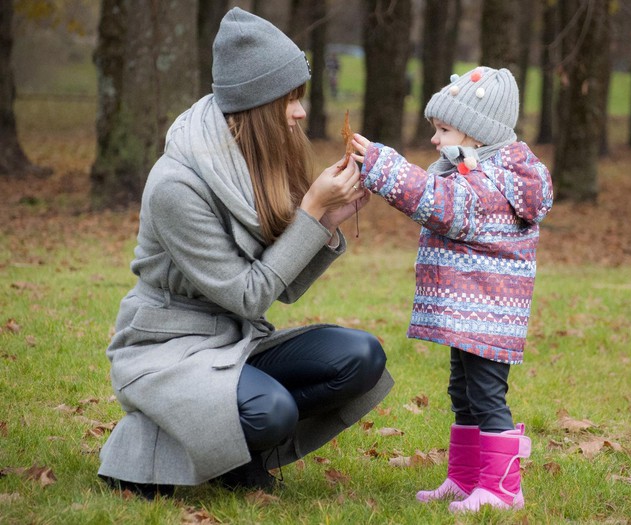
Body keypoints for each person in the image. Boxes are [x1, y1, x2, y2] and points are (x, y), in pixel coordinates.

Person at [97, 7, 393, 499]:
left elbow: (284, 287)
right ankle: (138, 456)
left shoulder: (253, 161)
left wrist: (327, 221)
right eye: (290, 99)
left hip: (236, 342)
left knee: (361, 358)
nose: (301, 111)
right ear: (257, 103)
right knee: (270, 411)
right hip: (168, 351)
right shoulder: (177, 184)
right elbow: (249, 294)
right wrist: (312, 210)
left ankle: (231, 451)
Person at [351, 66, 553, 513]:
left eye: (443, 130)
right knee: (462, 394)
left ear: (478, 135)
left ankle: (503, 490)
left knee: (486, 397)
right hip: (472, 313)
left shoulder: (492, 185)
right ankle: (465, 479)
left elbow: (443, 205)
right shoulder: (476, 168)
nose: (436, 141)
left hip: (488, 315)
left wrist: (384, 167)